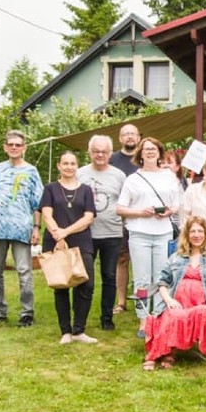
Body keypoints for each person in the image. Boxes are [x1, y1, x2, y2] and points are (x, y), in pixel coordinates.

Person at [142, 217, 206, 370]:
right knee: (173, 314)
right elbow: (162, 282)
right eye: (193, 231)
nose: (197, 235)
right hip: (177, 304)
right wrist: (168, 300)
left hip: (202, 305)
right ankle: (163, 355)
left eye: (200, 231)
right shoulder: (176, 257)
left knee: (202, 312)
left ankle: (167, 353)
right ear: (187, 234)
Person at [0, 130, 43, 328]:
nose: (14, 148)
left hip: (21, 228)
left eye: (18, 145)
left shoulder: (31, 171)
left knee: (24, 271)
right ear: (5, 147)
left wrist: (36, 227)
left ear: (24, 148)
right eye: (11, 144)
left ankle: (27, 312)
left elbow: (37, 203)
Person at [116, 137, 180, 338]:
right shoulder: (133, 179)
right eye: (146, 149)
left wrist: (169, 211)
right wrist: (140, 212)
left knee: (161, 278)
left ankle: (159, 316)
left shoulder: (169, 177)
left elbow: (178, 203)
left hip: (163, 233)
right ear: (140, 154)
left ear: (159, 153)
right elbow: (120, 208)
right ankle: (143, 319)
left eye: (154, 149)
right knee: (142, 279)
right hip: (139, 234)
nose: (150, 152)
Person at [40, 151, 97, 344]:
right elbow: (47, 214)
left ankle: (79, 330)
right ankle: (65, 330)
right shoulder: (50, 188)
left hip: (81, 240)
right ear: (59, 166)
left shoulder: (86, 190)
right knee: (61, 284)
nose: (69, 167)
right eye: (65, 163)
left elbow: (88, 218)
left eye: (73, 163)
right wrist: (58, 235)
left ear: (77, 166)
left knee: (86, 284)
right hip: (55, 240)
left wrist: (66, 232)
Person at [77, 135, 126, 331]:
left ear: (110, 153)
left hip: (112, 233)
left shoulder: (119, 175)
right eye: (96, 151)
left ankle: (107, 318)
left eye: (104, 152)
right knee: (84, 278)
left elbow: (125, 202)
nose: (100, 155)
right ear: (89, 152)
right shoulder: (80, 174)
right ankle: (81, 317)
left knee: (109, 276)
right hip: (85, 233)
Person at [109, 124, 140, 315]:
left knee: (142, 259)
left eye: (133, 134)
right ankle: (121, 301)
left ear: (138, 137)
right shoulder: (112, 159)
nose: (129, 137)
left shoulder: (144, 157)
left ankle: (142, 298)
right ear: (120, 139)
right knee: (121, 259)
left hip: (142, 216)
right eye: (125, 134)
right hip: (119, 217)